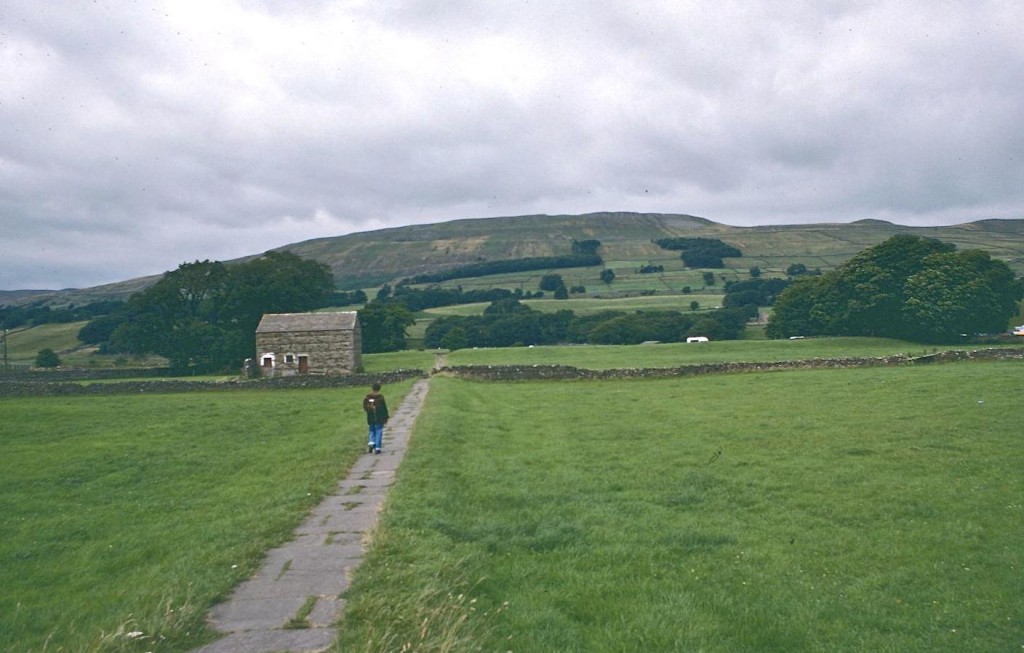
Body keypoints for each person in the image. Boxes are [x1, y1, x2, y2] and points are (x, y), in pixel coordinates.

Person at [363, 382, 389, 454]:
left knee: (372, 431)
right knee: (379, 431)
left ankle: (371, 443)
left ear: (372, 388)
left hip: (370, 417)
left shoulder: (367, 397)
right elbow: (384, 408)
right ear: (379, 389)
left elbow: (365, 407)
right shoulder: (380, 397)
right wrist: (386, 417)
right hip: (379, 417)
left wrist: (370, 409)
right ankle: (377, 448)